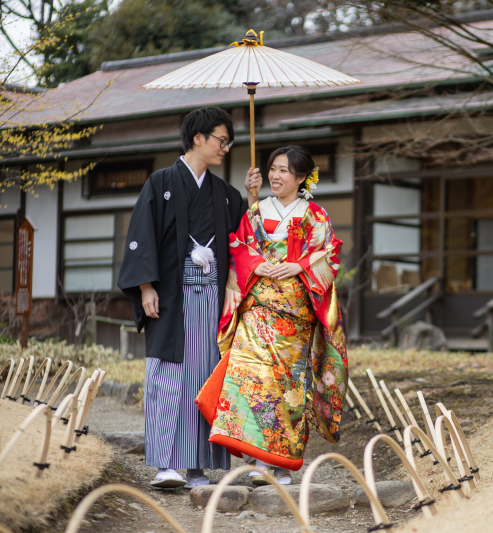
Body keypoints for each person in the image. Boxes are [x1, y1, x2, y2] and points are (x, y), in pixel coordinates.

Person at [118, 107, 262, 489]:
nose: (226, 148)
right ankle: (166, 463)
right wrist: (145, 285)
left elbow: (246, 241)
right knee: (168, 377)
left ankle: (198, 467)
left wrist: (251, 198)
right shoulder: (161, 182)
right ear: (198, 138)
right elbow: (141, 235)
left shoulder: (225, 195)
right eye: (221, 140)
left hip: (212, 300)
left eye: (229, 142)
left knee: (205, 376)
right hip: (170, 297)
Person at [196, 145, 348, 486]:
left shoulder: (314, 215)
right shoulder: (255, 212)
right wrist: (254, 262)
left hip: (294, 315)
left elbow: (330, 253)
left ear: (300, 177)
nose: (276, 176)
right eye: (273, 169)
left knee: (288, 385)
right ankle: (257, 459)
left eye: (284, 170)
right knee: (251, 379)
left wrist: (300, 263)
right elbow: (237, 246)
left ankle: (282, 462)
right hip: (258, 310)